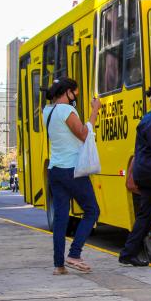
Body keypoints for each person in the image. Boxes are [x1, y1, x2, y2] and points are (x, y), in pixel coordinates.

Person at [43, 77, 101, 276]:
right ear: (67, 91)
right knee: (92, 211)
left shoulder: (47, 112)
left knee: (60, 218)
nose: (75, 97)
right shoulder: (67, 111)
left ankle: (59, 265)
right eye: (74, 93)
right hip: (72, 170)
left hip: (55, 170)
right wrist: (95, 111)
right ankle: (74, 254)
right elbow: (84, 134)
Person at [119, 85, 151, 267]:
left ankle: (128, 252)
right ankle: (128, 254)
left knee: (146, 215)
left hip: (150, 173)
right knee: (146, 215)